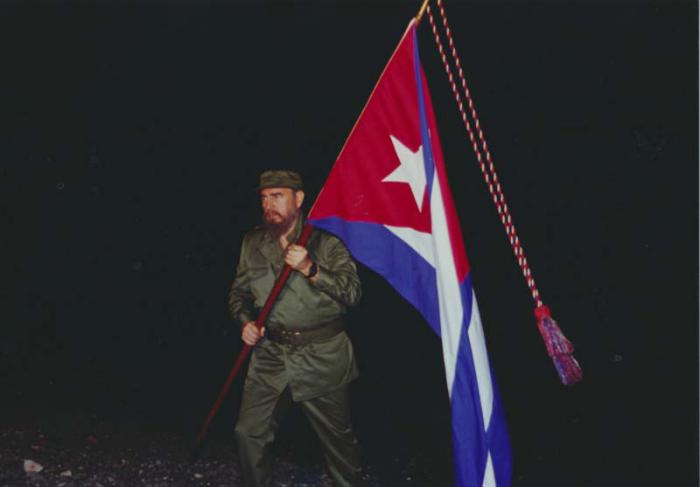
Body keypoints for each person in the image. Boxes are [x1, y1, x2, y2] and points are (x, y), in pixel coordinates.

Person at [228, 169, 366, 487]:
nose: (268, 204)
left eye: (277, 196)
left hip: (323, 354)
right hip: (270, 354)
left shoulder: (326, 242)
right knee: (248, 434)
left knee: (339, 444)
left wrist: (310, 268)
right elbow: (238, 293)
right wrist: (244, 321)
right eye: (264, 197)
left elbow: (353, 294)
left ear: (299, 199)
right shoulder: (252, 242)